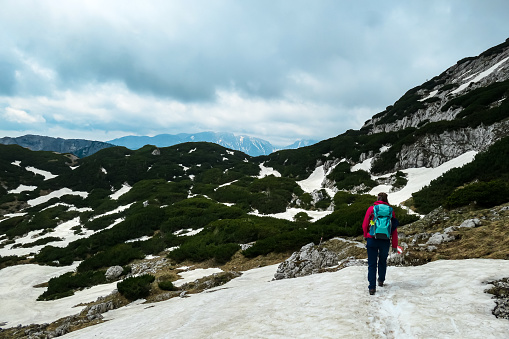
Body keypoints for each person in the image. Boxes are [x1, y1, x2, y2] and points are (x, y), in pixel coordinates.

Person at [362, 192, 398, 295]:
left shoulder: (371, 209)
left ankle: (372, 288)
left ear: (377, 198)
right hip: (385, 240)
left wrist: (366, 235)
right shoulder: (390, 210)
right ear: (386, 199)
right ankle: (381, 280)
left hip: (372, 239)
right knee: (382, 261)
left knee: (372, 264)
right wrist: (395, 244)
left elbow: (365, 224)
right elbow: (394, 229)